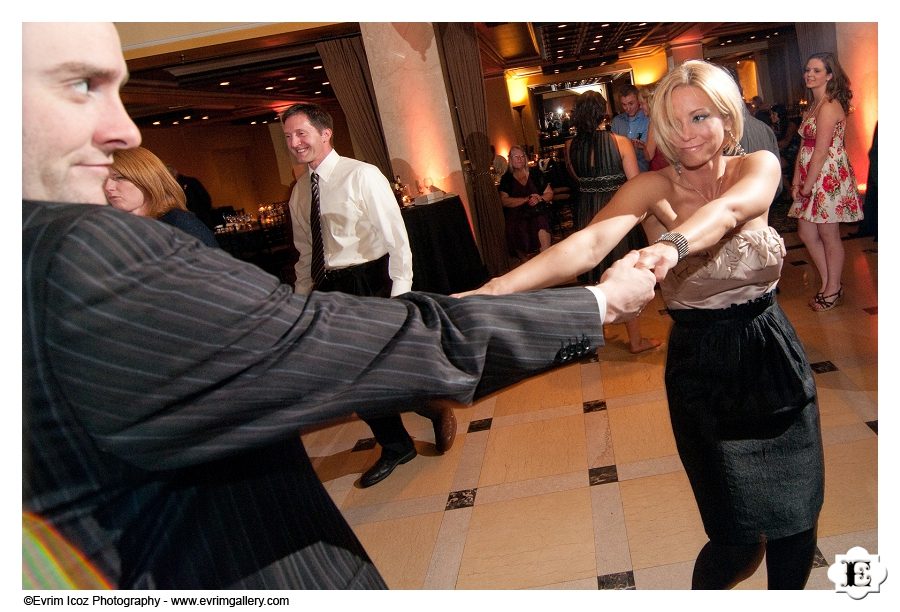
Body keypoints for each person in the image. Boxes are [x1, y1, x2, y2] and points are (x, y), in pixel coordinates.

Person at [22, 23, 658, 589]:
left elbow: (389, 256)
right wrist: (593, 304)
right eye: (81, 86)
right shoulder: (81, 250)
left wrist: (403, 297)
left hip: (366, 291)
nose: (125, 129)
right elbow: (328, 339)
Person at [459, 60, 824, 590]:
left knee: (796, 525)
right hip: (702, 369)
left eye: (700, 116)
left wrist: (669, 247)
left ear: (726, 116)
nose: (687, 133)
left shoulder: (757, 166)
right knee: (737, 538)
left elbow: (729, 213)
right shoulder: (652, 186)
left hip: (770, 355)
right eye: (673, 122)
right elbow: (583, 245)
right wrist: (490, 292)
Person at [283, 102, 454, 488]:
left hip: (367, 284)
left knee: (379, 373)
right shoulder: (298, 193)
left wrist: (401, 297)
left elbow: (397, 239)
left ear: (325, 133)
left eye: (301, 133)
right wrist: (301, 300)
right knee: (350, 378)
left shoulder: (361, 175)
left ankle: (429, 410)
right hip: (327, 291)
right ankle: (398, 443)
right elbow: (307, 253)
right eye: (288, 137)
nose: (294, 143)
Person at [565, 90, 659, 354]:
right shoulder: (620, 142)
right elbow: (634, 182)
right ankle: (636, 341)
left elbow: (576, 177)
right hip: (617, 211)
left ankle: (598, 334)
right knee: (623, 270)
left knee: (594, 272)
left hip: (587, 210)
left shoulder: (570, 146)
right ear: (602, 113)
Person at [788, 52, 863, 311]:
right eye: (808, 69)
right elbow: (804, 146)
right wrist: (797, 178)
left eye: (817, 70)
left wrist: (807, 187)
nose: (809, 74)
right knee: (806, 232)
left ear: (830, 75)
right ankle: (831, 283)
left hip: (827, 175)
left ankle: (831, 288)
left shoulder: (830, 106)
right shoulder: (813, 105)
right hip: (811, 171)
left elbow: (820, 152)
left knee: (828, 234)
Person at [105, 146, 220, 247]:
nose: (108, 187)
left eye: (119, 177)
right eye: (104, 179)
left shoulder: (179, 224)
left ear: (147, 179)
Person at [498, 144, 554, 258]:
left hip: (536, 212)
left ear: (525, 158)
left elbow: (549, 193)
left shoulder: (536, 173)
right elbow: (504, 201)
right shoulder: (506, 178)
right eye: (515, 156)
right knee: (516, 228)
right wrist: (526, 199)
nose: (519, 159)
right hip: (517, 216)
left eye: (522, 156)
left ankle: (546, 260)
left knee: (540, 221)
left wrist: (539, 198)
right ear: (510, 159)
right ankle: (526, 264)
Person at [611, 84, 650, 172]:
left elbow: (649, 154)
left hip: (643, 171)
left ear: (638, 101)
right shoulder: (617, 121)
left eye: (631, 103)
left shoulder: (647, 120)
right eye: (624, 104)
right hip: (620, 172)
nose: (627, 108)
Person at [168, 166, 215, 230]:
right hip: (201, 220)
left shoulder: (183, 185)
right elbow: (206, 199)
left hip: (196, 221)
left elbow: (205, 200)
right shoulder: (191, 181)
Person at [639, 84, 669, 171]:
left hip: (661, 169)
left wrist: (644, 147)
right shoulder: (667, 117)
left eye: (642, 103)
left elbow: (649, 155)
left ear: (650, 102)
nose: (640, 107)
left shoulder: (654, 122)